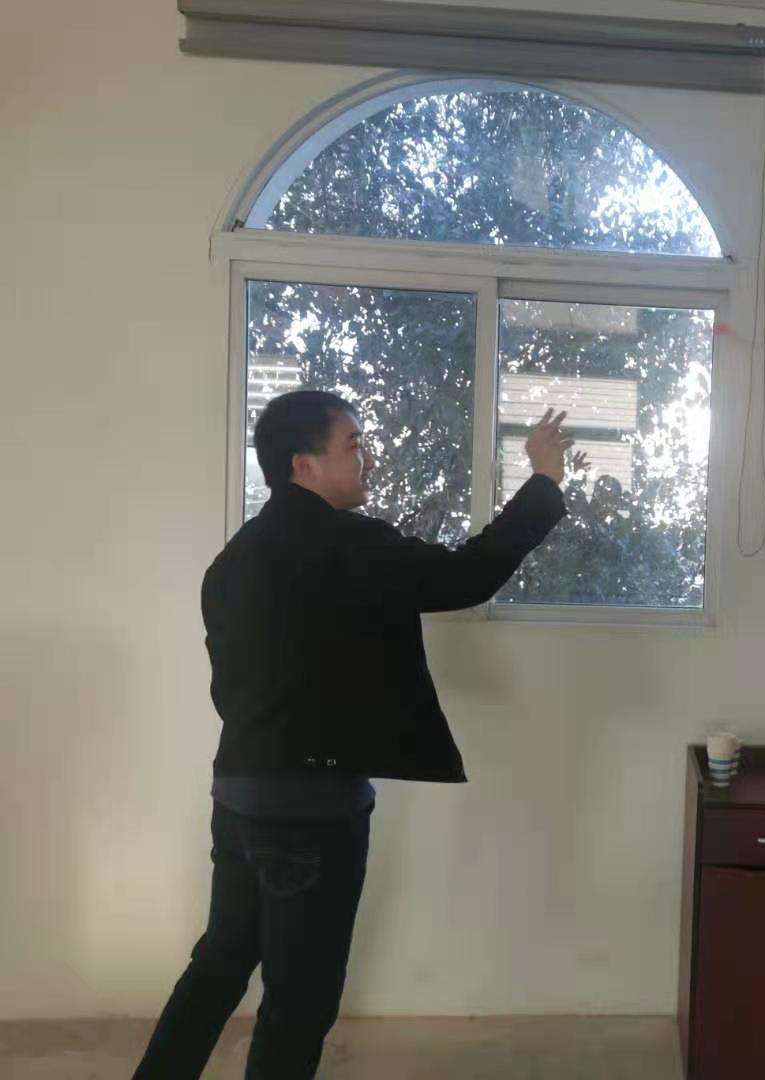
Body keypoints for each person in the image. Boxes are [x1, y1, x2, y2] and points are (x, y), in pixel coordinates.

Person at [133, 390, 581, 1080]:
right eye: (352, 444)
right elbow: (468, 575)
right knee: (299, 1000)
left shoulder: (233, 560)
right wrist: (544, 480)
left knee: (219, 964)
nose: (366, 457)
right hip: (311, 812)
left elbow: (233, 686)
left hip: (239, 795)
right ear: (303, 464)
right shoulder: (349, 545)